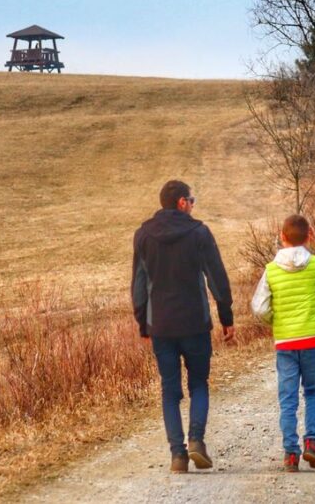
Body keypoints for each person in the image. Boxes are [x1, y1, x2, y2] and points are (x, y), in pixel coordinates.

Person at [132, 180, 235, 473]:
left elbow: (139, 286)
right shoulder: (199, 233)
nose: (193, 205)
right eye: (192, 200)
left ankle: (178, 456)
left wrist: (143, 324)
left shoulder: (143, 235)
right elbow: (217, 277)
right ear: (181, 202)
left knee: (169, 390)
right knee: (199, 384)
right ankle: (196, 441)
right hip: (195, 323)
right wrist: (226, 317)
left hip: (161, 326)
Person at [250, 214, 315, 472]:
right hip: (313, 339)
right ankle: (312, 444)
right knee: (313, 392)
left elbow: (258, 307)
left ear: (282, 237)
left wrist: (275, 320)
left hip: (286, 342)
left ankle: (290, 454)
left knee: (288, 398)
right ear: (308, 237)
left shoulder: (271, 270)